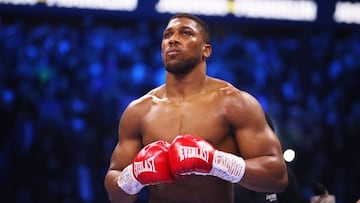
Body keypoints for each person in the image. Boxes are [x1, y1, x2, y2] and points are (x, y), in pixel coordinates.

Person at [104, 13, 288, 203]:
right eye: (168, 35)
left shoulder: (234, 103)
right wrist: (133, 176)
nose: (173, 40)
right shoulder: (139, 111)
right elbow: (115, 194)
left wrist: (215, 162)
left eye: (185, 33)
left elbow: (277, 177)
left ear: (206, 50)